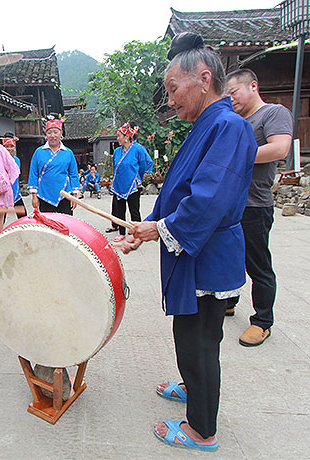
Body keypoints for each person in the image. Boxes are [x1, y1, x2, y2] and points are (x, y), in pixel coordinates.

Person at [121, 32, 257, 451]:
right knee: (189, 331)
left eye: (173, 89)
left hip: (208, 254)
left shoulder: (228, 126)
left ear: (203, 78)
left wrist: (161, 229)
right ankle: (192, 385)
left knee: (199, 339)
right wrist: (147, 225)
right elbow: (176, 191)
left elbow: (209, 198)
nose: (171, 99)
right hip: (196, 250)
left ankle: (202, 429)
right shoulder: (207, 124)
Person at [225, 68, 293, 347]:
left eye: (233, 93)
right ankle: (228, 300)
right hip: (231, 204)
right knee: (229, 257)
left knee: (258, 264)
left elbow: (280, 149)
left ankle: (262, 321)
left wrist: (237, 154)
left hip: (255, 205)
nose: (230, 99)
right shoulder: (235, 121)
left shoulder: (272, 114)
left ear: (253, 86)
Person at [110, 122, 153, 242]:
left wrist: (139, 177)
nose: (117, 138)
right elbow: (115, 167)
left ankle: (137, 233)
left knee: (134, 210)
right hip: (119, 184)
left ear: (126, 137)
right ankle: (122, 233)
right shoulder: (117, 152)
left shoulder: (138, 149)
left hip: (133, 185)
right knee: (120, 210)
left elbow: (145, 164)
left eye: (119, 136)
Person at [28, 118, 80, 214]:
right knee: (48, 226)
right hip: (44, 195)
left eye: (56, 132)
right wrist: (34, 196)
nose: (52, 136)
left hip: (65, 195)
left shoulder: (68, 153)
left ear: (61, 133)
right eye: (49, 132)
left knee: (65, 224)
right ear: (46, 134)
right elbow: (33, 173)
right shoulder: (39, 152)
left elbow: (73, 174)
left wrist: (74, 196)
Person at [1, 132, 27, 219]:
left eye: (11, 146)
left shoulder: (17, 160)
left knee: (23, 217)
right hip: (3, 194)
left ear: (15, 148)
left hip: (16, 194)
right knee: (1, 219)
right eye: (6, 146)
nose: (9, 149)